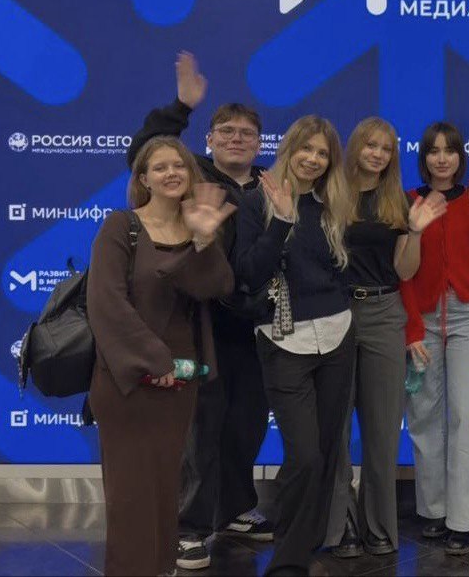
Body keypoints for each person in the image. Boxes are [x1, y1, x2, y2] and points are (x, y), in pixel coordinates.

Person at [126, 52, 271, 570]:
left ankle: (234, 509)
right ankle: (186, 527)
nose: (236, 139)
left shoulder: (273, 186)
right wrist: (181, 107)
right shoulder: (192, 176)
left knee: (247, 424)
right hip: (202, 324)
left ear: (260, 143)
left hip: (257, 327)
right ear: (209, 140)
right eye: (226, 131)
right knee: (199, 429)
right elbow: (145, 152)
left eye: (246, 133)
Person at [87, 136, 236, 576]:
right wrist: (154, 361)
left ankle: (161, 568)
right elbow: (107, 303)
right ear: (143, 179)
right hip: (127, 377)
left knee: (164, 485)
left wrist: (204, 240)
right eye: (160, 167)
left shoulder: (195, 228)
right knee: (130, 492)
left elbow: (217, 286)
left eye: (179, 165)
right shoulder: (122, 226)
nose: (172, 173)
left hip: (181, 378)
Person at [233, 116, 355, 576]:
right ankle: (287, 560)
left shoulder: (332, 204)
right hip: (284, 341)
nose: (313, 159)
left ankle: (302, 548)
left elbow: (341, 272)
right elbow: (249, 272)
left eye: (322, 153)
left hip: (338, 336)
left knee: (325, 452)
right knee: (304, 455)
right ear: (289, 149)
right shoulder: (256, 201)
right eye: (306, 149)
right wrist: (282, 222)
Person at [326, 118, 446, 558]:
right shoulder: (331, 192)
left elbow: (405, 271)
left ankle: (378, 525)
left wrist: (415, 232)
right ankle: (339, 524)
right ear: (356, 146)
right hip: (334, 313)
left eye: (386, 148)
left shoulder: (399, 199)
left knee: (381, 430)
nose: (377, 153)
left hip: (383, 313)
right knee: (335, 428)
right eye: (371, 145)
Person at [400, 121, 469, 556]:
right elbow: (402, 274)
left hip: (468, 317)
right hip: (423, 319)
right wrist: (412, 329)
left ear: (460, 157)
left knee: (465, 414)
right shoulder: (408, 201)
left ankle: (464, 520)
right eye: (434, 150)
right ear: (424, 157)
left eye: (450, 150)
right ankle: (434, 509)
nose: (442, 158)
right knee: (424, 414)